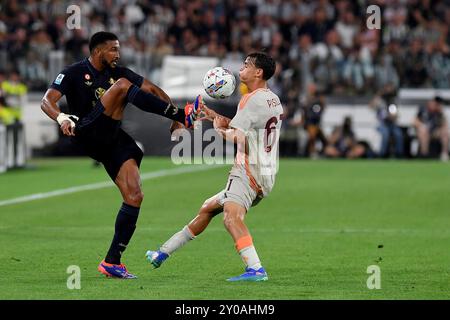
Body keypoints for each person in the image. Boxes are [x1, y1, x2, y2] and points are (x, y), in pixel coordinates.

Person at [41, 31, 201, 279]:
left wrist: (173, 121)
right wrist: (61, 117)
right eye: (113, 50)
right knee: (123, 87)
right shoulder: (73, 72)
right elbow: (46, 101)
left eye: (118, 49)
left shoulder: (120, 72)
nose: (118, 54)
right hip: (88, 131)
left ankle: (112, 262)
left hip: (113, 138)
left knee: (135, 195)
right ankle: (183, 114)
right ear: (97, 51)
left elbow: (152, 89)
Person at [145, 52, 283, 282]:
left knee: (231, 218)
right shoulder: (272, 99)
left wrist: (218, 130)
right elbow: (247, 127)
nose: (241, 68)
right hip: (266, 173)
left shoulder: (250, 99)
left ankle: (256, 269)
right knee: (208, 208)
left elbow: (238, 136)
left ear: (258, 72)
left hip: (247, 170)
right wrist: (213, 115)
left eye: (246, 65)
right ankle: (162, 253)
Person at [369, 84, 404, 158]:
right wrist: (378, 95)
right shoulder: (380, 100)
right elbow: (371, 106)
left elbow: (394, 115)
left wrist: (392, 116)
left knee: (398, 134)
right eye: (387, 89)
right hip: (380, 123)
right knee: (385, 133)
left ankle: (399, 154)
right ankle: (382, 154)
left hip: (391, 124)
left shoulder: (393, 101)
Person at [414, 96, 449, 161]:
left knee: (445, 132)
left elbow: (445, 125)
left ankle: (444, 154)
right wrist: (422, 126)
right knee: (423, 131)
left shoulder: (438, 112)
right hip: (424, 132)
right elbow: (415, 121)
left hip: (435, 133)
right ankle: (424, 155)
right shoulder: (423, 110)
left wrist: (439, 130)